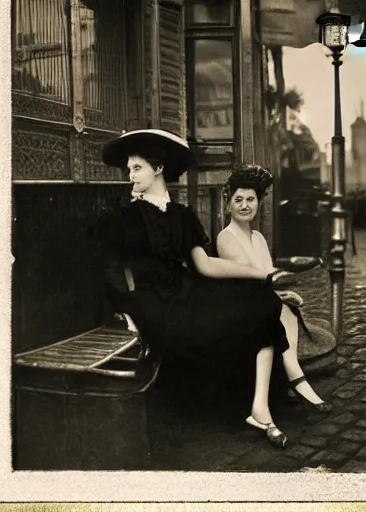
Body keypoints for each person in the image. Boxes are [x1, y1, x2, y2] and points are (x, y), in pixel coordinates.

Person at [97, 129, 298, 449]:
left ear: (158, 169)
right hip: (151, 303)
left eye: (136, 168)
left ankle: (260, 408)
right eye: (129, 169)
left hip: (187, 291)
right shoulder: (124, 218)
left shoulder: (182, 216)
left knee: (261, 301)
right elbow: (108, 269)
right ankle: (248, 406)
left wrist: (261, 275)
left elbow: (204, 265)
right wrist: (126, 308)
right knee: (238, 315)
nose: (130, 175)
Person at [216, 164, 333, 414]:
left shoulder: (257, 237)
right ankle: (296, 378)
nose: (245, 205)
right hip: (238, 304)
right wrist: (279, 292)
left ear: (258, 204)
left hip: (260, 299)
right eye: (238, 200)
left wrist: (282, 293)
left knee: (286, 307)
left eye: (251, 199)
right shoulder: (226, 237)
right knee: (281, 309)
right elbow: (248, 279)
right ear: (228, 204)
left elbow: (269, 275)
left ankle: (294, 378)